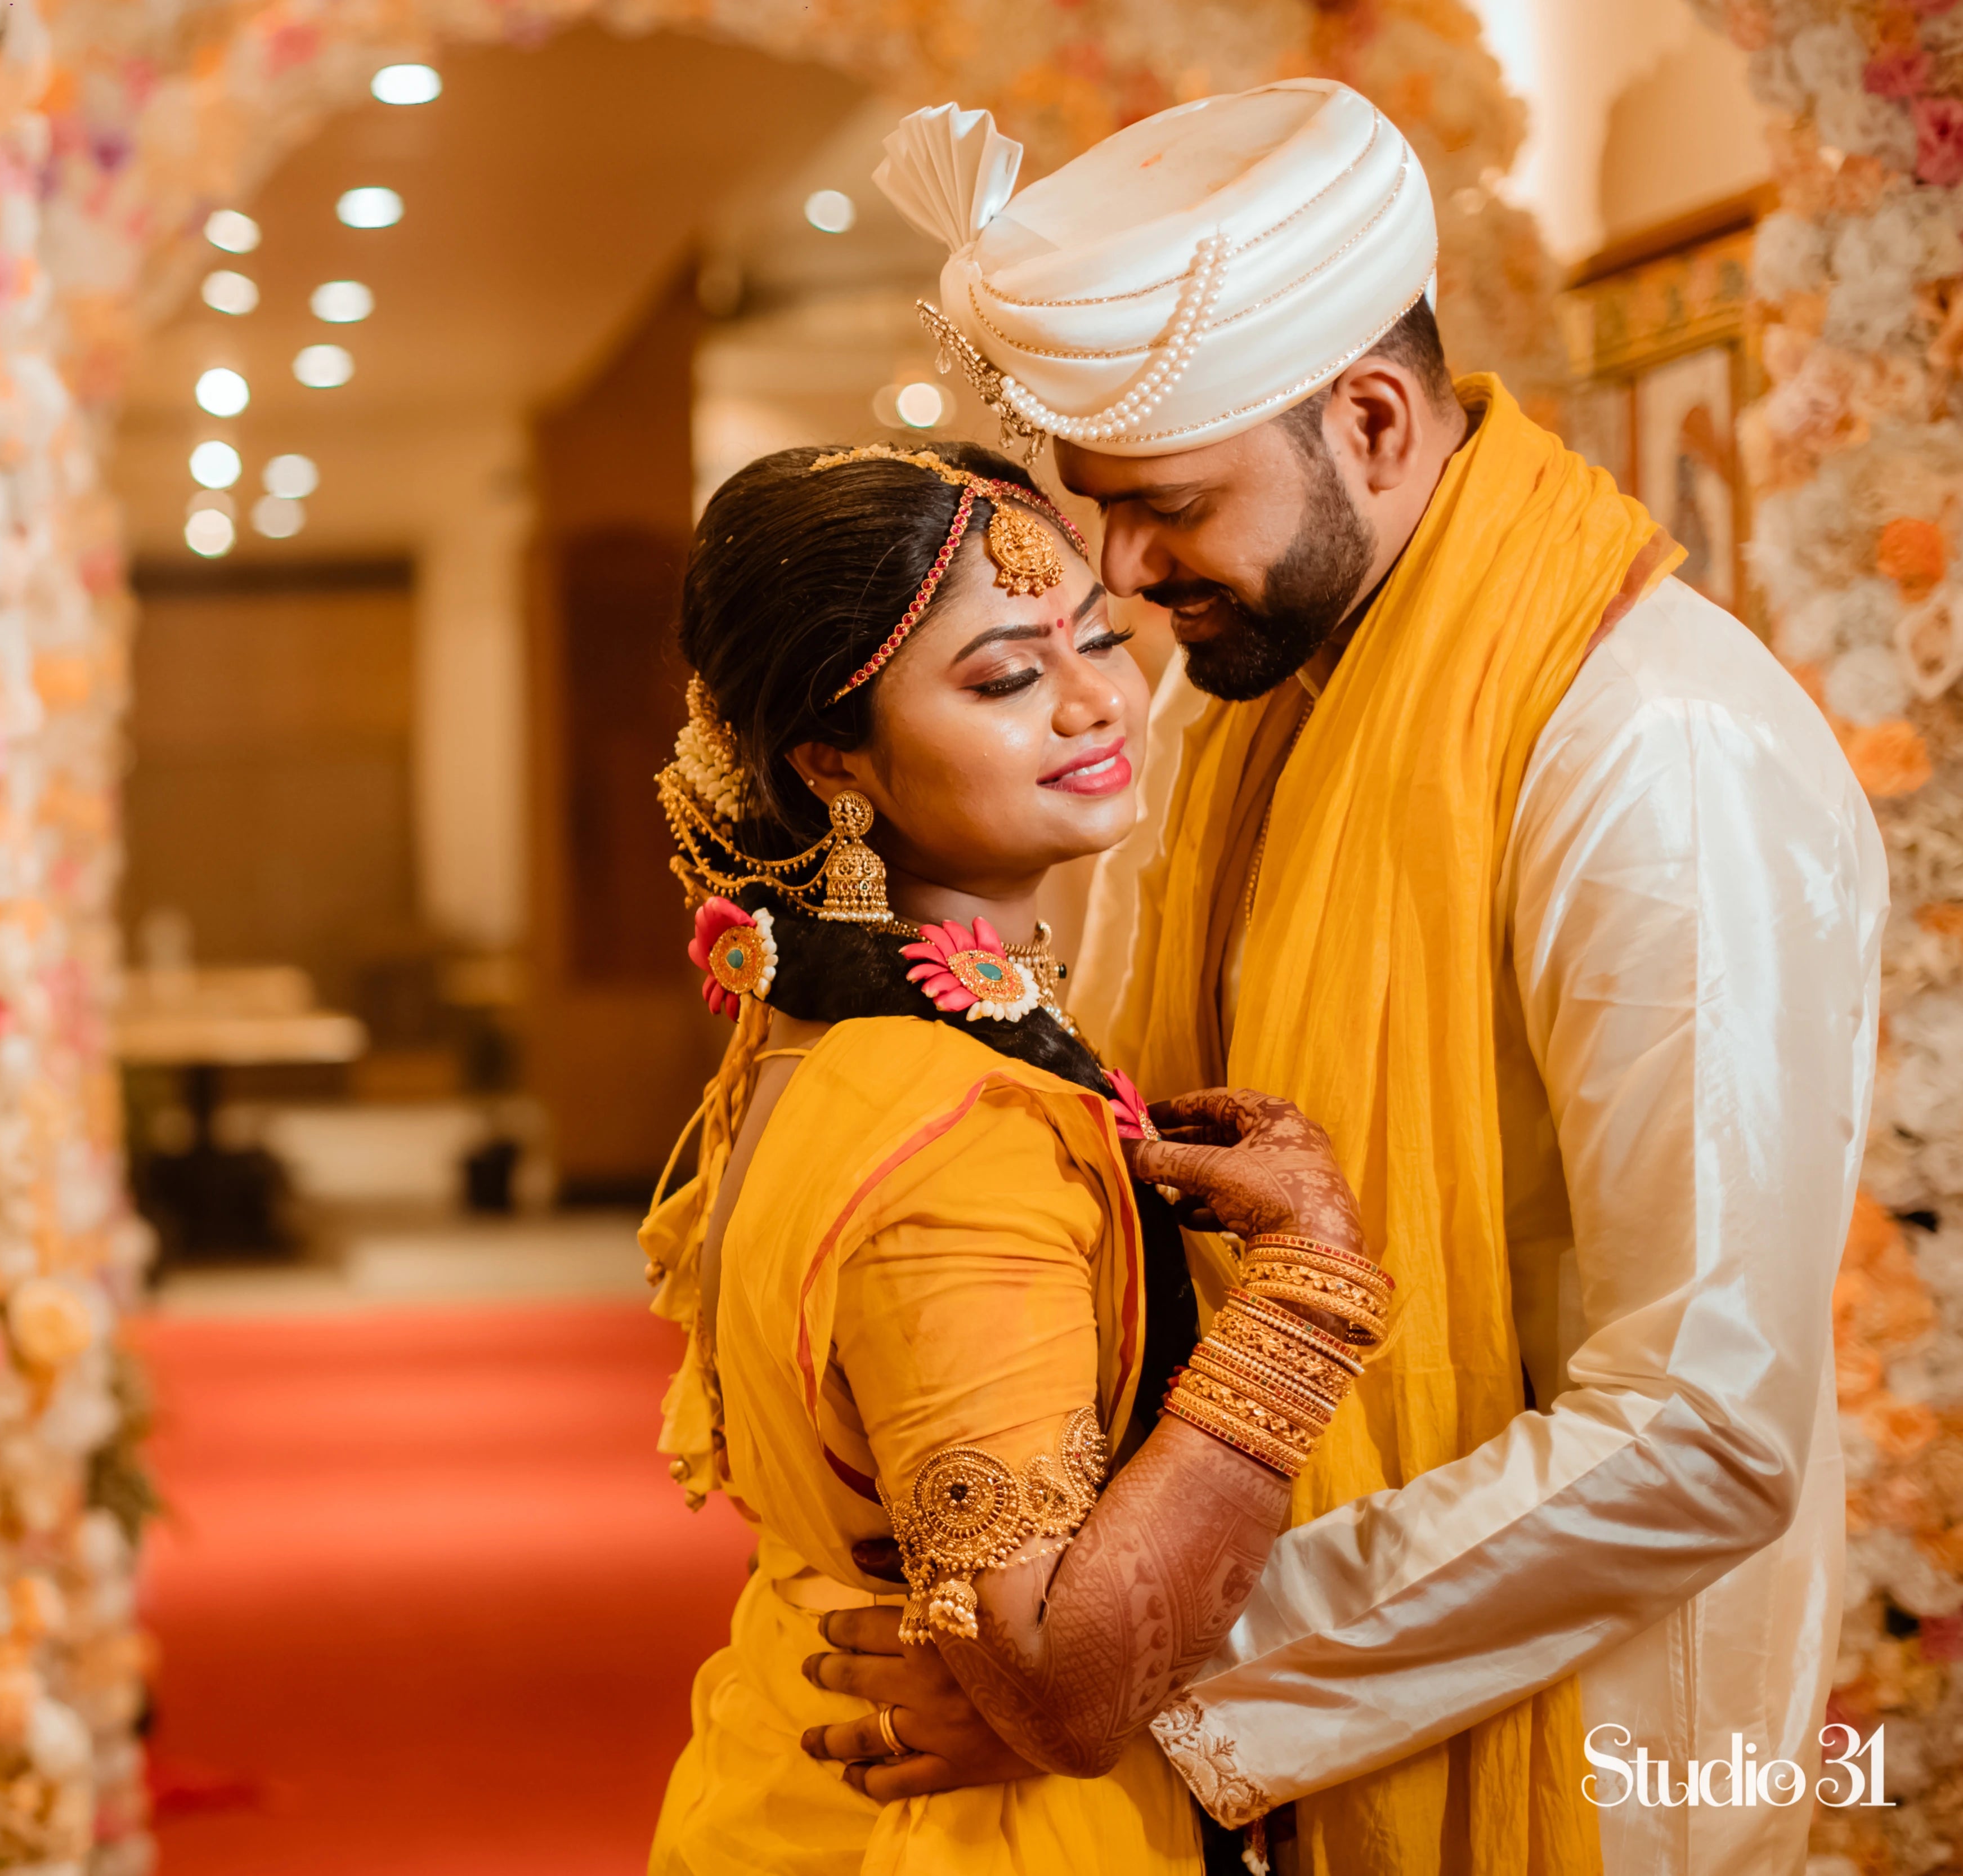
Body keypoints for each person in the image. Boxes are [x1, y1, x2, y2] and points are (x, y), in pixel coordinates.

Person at [824, 80, 1889, 1875]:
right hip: (1278, 1731)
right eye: (1105, 510)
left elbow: (1703, 1426)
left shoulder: (1652, 747)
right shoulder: (1255, 694)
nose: (1128, 576)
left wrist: (1134, 1652)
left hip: (1590, 1764)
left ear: (1374, 419)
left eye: (1164, 506)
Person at [642, 437, 1390, 1875]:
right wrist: (1307, 1290)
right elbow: (1061, 1672)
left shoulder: (817, 1036)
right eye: (1002, 678)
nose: (1097, 700)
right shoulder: (957, 1130)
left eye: (1099, 640)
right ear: (829, 759)